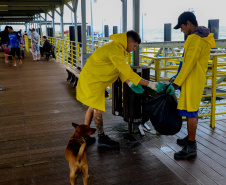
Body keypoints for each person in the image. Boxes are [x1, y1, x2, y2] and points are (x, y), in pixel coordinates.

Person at [76, 30, 166, 148]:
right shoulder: (116, 50)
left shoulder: (118, 48)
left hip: (92, 78)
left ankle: (84, 135)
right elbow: (128, 72)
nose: (134, 49)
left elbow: (120, 70)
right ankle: (101, 137)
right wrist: (152, 84)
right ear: (128, 41)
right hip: (94, 81)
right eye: (134, 46)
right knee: (97, 109)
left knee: (92, 107)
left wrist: (130, 84)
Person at [166, 12, 216, 159]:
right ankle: (190, 138)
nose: (181, 31)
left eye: (181, 27)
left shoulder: (195, 39)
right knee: (191, 110)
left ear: (188, 23)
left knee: (190, 111)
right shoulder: (200, 37)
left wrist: (176, 84)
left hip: (192, 80)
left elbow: (189, 63)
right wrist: (178, 77)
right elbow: (186, 61)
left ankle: (191, 146)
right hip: (193, 79)